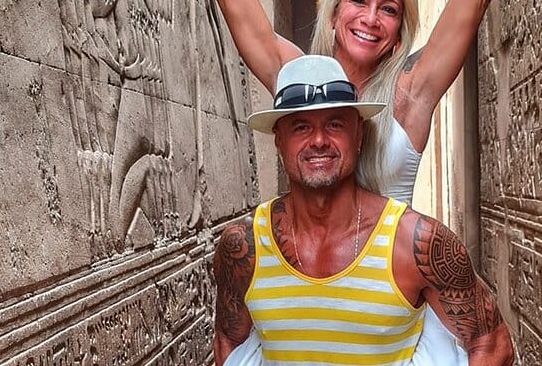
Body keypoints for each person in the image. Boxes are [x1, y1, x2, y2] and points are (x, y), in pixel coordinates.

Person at [158, 0, 542, 362]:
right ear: (335, 11)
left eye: (389, 9)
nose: (371, 18)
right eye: (358, 1)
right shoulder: (295, 78)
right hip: (303, 285)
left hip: (389, 296)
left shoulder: (410, 93)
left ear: (399, 33)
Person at [213, 55, 514, 366]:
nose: (319, 140)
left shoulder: (416, 243)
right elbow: (229, 344)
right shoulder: (244, 247)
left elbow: (493, 345)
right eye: (301, 127)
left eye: (335, 124)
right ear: (279, 140)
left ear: (358, 134)